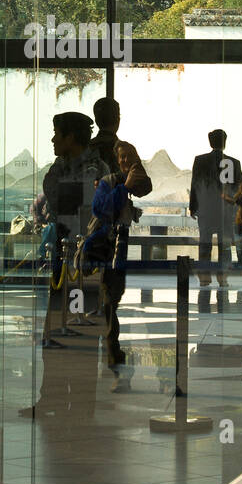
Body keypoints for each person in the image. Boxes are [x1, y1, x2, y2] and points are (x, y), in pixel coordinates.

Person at [82, 140, 151, 388]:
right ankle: (117, 363)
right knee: (109, 305)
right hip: (103, 249)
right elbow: (103, 209)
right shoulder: (109, 181)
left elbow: (146, 185)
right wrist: (125, 186)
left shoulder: (126, 180)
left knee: (109, 304)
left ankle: (116, 361)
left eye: (129, 156)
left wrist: (132, 177)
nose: (124, 160)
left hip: (117, 251)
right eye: (120, 156)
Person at [41, 113, 107, 348]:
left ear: (70, 137)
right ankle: (57, 331)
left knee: (84, 294)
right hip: (63, 239)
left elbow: (98, 205)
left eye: (57, 134)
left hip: (87, 244)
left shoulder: (98, 168)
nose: (52, 139)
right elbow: (55, 196)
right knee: (59, 294)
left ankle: (76, 323)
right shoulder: (58, 169)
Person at [189, 129, 242, 286]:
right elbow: (240, 188)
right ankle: (223, 278)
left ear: (210, 142)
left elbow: (195, 185)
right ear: (225, 142)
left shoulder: (200, 160)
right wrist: (240, 209)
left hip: (206, 209)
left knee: (205, 243)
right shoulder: (234, 163)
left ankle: (205, 277)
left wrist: (193, 206)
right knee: (224, 245)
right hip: (226, 211)